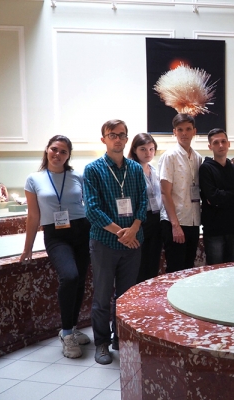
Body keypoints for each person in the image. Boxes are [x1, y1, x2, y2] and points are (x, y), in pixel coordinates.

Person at [20, 135, 91, 359]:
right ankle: (66, 333)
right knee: (69, 276)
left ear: (68, 155)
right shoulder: (34, 179)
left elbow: (89, 205)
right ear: (47, 150)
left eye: (63, 151)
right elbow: (33, 216)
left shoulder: (77, 176)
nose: (57, 154)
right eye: (54, 149)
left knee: (80, 281)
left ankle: (72, 327)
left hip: (82, 230)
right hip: (56, 235)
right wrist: (28, 247)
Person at [83, 120, 147, 365]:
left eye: (122, 135)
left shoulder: (135, 169)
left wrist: (134, 229)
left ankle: (121, 338)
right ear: (104, 139)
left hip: (133, 243)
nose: (118, 139)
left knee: (126, 296)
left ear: (126, 139)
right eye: (112, 135)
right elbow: (93, 210)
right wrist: (122, 233)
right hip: (105, 243)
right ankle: (101, 343)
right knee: (102, 297)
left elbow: (143, 202)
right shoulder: (93, 170)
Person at [158, 113, 203, 272]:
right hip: (175, 221)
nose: (184, 133)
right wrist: (175, 225)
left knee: (188, 269)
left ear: (194, 131)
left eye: (188, 129)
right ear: (174, 132)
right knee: (175, 270)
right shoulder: (169, 156)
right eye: (180, 129)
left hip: (193, 220)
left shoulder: (198, 158)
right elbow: (165, 193)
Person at [200, 128, 234, 264]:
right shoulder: (205, 169)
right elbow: (212, 197)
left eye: (223, 141)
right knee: (215, 271)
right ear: (210, 146)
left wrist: (220, 197)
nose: (220, 145)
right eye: (216, 142)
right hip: (214, 231)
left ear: (228, 144)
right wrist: (232, 194)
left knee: (233, 269)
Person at [128, 133, 163, 282]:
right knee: (139, 264)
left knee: (153, 261)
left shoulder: (154, 170)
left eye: (151, 149)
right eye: (143, 149)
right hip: (139, 219)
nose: (148, 153)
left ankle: (151, 293)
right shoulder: (130, 170)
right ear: (135, 150)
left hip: (156, 218)